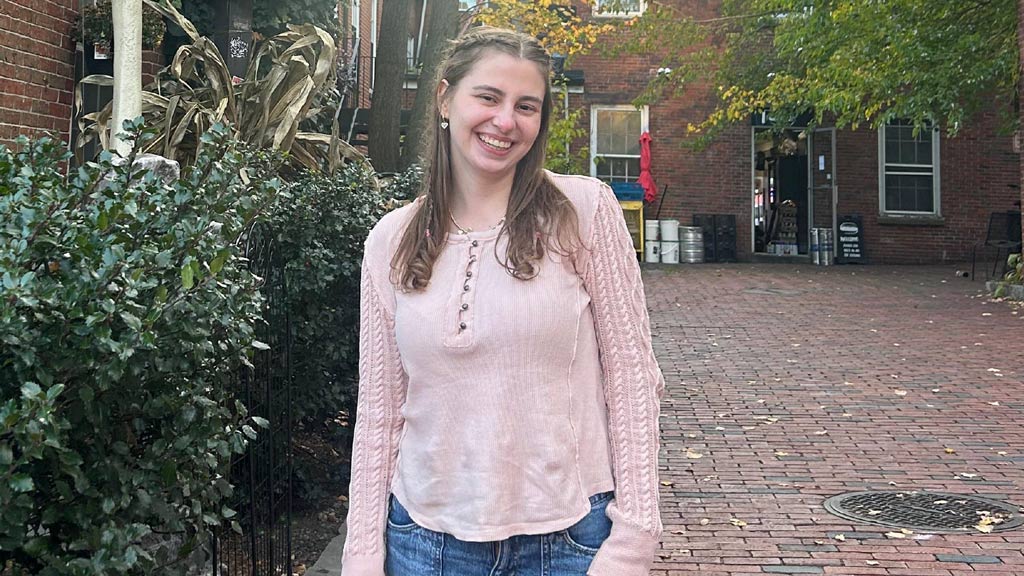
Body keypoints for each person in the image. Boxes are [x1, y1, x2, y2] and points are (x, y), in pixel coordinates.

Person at [341, 26, 664, 576]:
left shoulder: (582, 211)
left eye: (526, 106)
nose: (505, 121)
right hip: (422, 545)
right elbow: (380, 412)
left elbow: (632, 379)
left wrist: (634, 538)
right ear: (445, 99)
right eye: (488, 97)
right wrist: (363, 552)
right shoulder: (391, 240)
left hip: (569, 541)